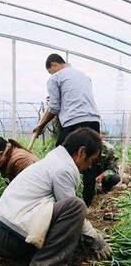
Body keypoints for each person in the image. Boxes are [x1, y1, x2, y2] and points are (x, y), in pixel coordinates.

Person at [0, 128, 112, 265]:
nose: (90, 166)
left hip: (3, 235)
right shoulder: (63, 168)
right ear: (81, 152)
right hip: (11, 237)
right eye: (92, 160)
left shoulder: (54, 161)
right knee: (76, 206)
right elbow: (72, 211)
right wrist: (95, 238)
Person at [33, 53, 101, 206]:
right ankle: (87, 203)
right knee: (90, 161)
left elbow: (55, 107)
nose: (51, 73)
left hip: (73, 122)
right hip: (94, 121)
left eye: (50, 71)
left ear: (53, 65)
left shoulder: (55, 78)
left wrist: (41, 125)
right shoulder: (84, 76)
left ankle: (60, 201)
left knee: (59, 158)